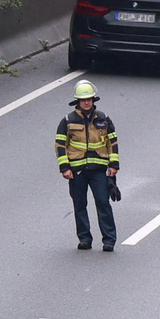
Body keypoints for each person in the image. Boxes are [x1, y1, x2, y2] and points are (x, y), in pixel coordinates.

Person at [54, 80, 121, 251]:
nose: (86, 102)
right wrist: (65, 168)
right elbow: (60, 145)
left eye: (89, 99)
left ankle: (109, 240)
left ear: (93, 100)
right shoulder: (68, 121)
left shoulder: (104, 119)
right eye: (83, 100)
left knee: (103, 203)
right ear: (77, 101)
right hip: (77, 171)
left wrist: (113, 166)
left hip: (99, 171)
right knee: (79, 205)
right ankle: (84, 238)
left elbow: (112, 143)